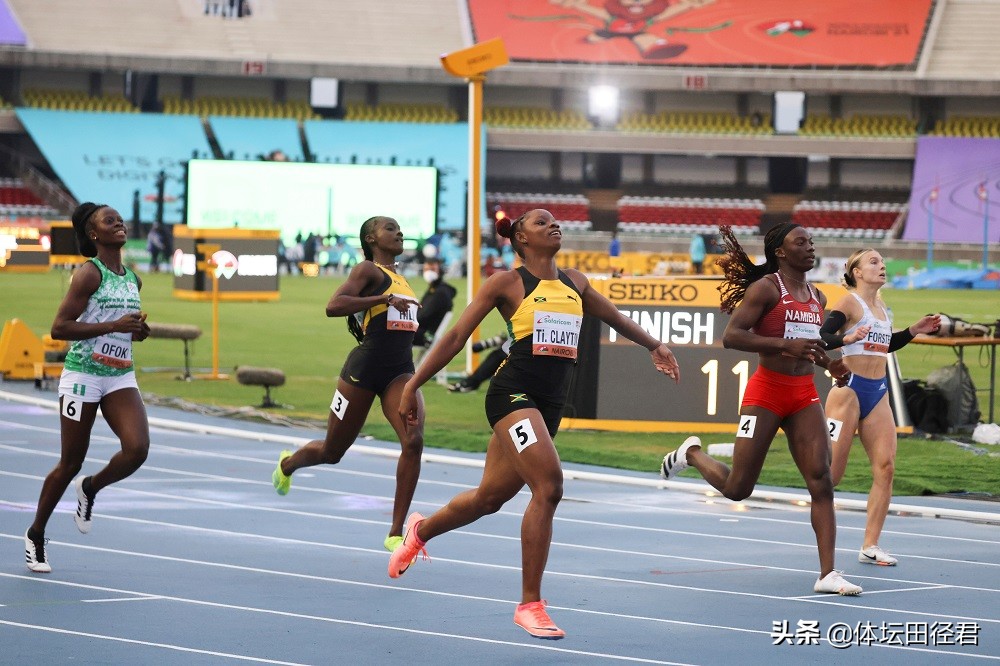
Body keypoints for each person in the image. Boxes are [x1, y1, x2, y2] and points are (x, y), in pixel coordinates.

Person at [388, 209, 681, 639]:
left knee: (489, 498)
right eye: (541, 223)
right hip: (512, 394)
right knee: (549, 485)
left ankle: (421, 530)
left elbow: (614, 317)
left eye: (555, 221)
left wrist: (654, 345)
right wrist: (413, 383)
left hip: (549, 404)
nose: (554, 225)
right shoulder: (506, 283)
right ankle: (530, 604)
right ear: (521, 239)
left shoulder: (575, 282)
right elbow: (454, 338)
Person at [659, 223, 864, 596]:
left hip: (804, 395)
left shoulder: (816, 295)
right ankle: (691, 452)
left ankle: (828, 573)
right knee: (738, 489)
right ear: (781, 252)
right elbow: (733, 336)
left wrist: (830, 364)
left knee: (822, 480)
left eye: (811, 240)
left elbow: (809, 346)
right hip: (767, 393)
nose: (810, 246)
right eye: (800, 242)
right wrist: (784, 344)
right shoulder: (767, 288)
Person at [271, 216, 425, 553]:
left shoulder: (402, 279)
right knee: (332, 451)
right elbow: (334, 305)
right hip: (364, 369)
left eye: (400, 228)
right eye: (390, 228)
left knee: (413, 441)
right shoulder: (368, 271)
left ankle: (396, 533)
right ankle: (288, 464)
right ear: (371, 238)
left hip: (400, 373)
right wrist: (382, 301)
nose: (399, 232)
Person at [25, 202, 152, 573]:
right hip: (83, 375)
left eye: (120, 219)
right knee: (70, 462)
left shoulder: (133, 279)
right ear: (94, 234)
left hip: (119, 374)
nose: (119, 223)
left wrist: (138, 331)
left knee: (137, 449)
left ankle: (91, 488)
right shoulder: (88, 274)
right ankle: (35, 534)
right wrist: (112, 327)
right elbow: (59, 328)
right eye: (109, 221)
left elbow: (127, 329)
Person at [821, 249, 941, 566]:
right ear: (857, 272)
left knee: (885, 468)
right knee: (831, 477)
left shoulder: (883, 307)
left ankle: (870, 545)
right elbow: (822, 336)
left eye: (883, 261)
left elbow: (884, 346)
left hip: (878, 392)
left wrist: (914, 331)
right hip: (848, 391)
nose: (882, 265)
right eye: (874, 262)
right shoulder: (848, 302)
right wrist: (846, 338)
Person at [413, 259, 456, 348]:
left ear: (440, 270)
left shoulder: (440, 293)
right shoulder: (436, 289)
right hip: (424, 332)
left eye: (432, 269)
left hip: (426, 335)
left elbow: (423, 316)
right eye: (426, 269)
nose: (429, 272)